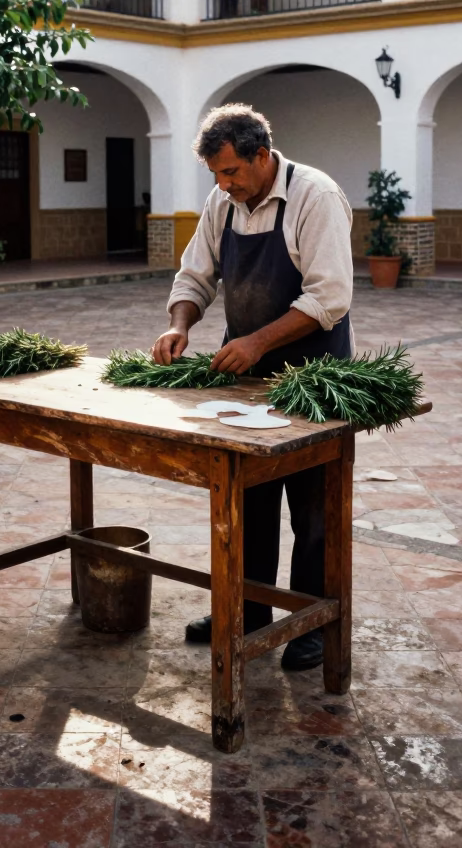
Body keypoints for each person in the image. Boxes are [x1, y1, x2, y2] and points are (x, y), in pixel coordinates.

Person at [152, 103, 353, 670]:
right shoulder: (224, 202)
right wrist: (179, 324)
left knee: (312, 508)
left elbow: (330, 297)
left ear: (261, 156)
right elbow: (195, 274)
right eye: (217, 174)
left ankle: (312, 619)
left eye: (232, 172)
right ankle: (249, 608)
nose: (223, 184)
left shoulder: (315, 196)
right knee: (248, 495)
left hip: (315, 377)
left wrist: (258, 342)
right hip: (248, 378)